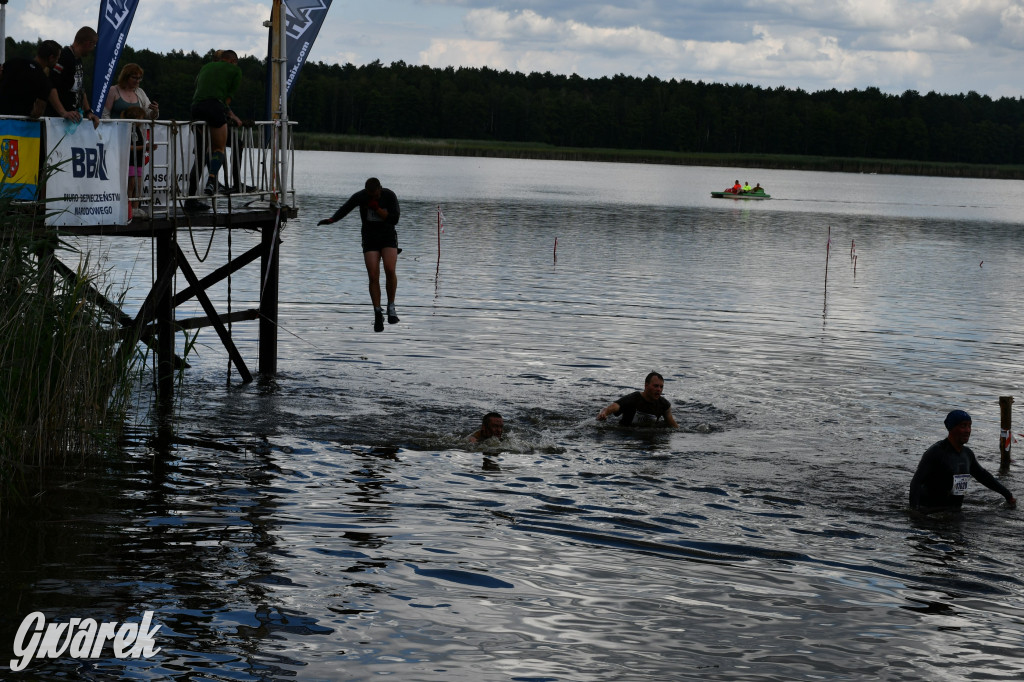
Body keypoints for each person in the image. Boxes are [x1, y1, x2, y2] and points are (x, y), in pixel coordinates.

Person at [317, 177, 402, 332]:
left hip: (388, 237)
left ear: (380, 189)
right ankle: (377, 312)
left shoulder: (389, 196)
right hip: (370, 238)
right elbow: (345, 208)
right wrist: (331, 220)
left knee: (390, 269)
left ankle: (391, 307)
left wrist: (377, 209)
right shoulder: (361, 196)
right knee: (373, 275)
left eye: (375, 195)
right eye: (370, 196)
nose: (372, 198)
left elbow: (394, 220)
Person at [909, 410, 1016, 513]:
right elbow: (916, 483)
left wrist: (1008, 495)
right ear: (951, 428)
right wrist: (915, 511)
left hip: (955, 510)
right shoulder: (936, 452)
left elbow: (983, 476)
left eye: (969, 426)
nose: (968, 430)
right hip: (931, 511)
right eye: (963, 426)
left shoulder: (967, 454)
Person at [184, 50, 243, 211]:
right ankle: (211, 181)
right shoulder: (235, 70)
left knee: (201, 155)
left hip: (196, 109)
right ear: (233, 61)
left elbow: (199, 89)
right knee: (219, 148)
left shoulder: (206, 67)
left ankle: (190, 199)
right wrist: (231, 116)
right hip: (214, 108)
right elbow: (226, 99)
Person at [0, 40, 79, 121]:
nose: (57, 61)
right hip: (18, 126)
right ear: (51, 58)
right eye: (57, 58)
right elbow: (37, 112)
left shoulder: (14, 62)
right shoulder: (44, 81)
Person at [46, 26, 100, 128]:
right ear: (88, 43)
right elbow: (50, 87)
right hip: (57, 121)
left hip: (71, 120)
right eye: (94, 45)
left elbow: (80, 89)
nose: (93, 49)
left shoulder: (78, 59)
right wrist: (63, 112)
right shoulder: (64, 57)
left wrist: (88, 112)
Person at [597, 371, 679, 428]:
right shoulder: (633, 399)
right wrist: (605, 413)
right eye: (656, 386)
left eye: (661, 387)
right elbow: (616, 406)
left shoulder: (664, 405)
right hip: (626, 434)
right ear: (646, 386)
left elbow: (673, 426)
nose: (659, 389)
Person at [121, 106, 150, 219]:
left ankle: (136, 208)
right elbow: (129, 147)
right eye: (141, 118)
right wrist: (144, 147)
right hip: (130, 162)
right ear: (136, 117)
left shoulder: (138, 129)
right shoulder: (128, 128)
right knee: (131, 185)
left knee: (138, 185)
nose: (142, 120)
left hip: (138, 162)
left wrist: (145, 148)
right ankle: (128, 208)